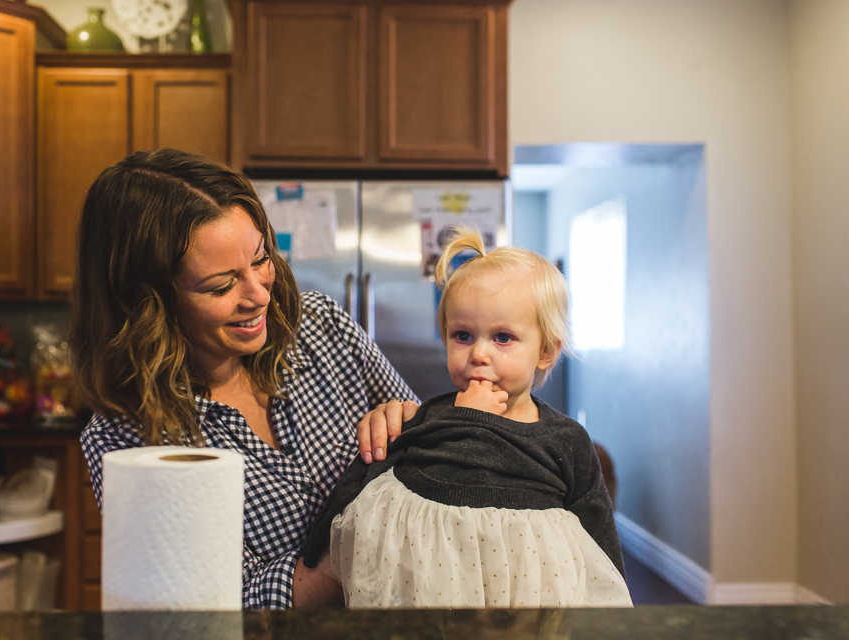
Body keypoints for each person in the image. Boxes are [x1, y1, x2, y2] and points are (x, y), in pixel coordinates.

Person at [71, 148, 420, 609]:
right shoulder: (129, 439)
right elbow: (215, 609)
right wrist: (351, 559)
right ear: (147, 303)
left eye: (260, 260)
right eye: (220, 285)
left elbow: (433, 448)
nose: (257, 295)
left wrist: (413, 422)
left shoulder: (320, 326)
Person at [300, 227, 632, 608]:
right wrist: (317, 548)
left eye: (502, 338)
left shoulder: (567, 439)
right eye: (462, 335)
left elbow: (599, 532)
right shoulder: (426, 418)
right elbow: (364, 477)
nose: (479, 353)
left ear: (545, 352)